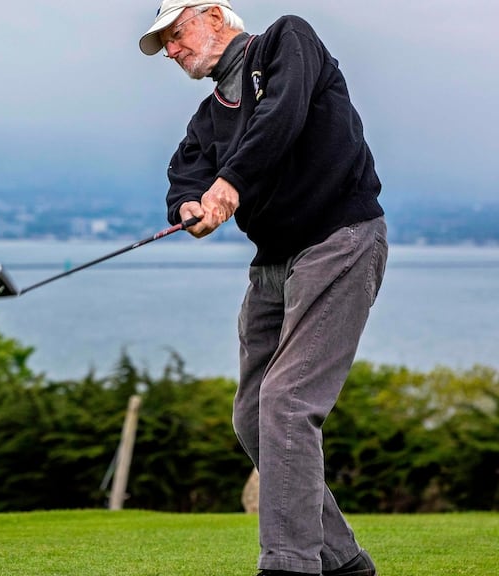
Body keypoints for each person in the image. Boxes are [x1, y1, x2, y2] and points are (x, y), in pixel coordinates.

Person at [138, 2, 386, 575]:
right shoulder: (207, 117)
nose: (171, 50)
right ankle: (344, 562)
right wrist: (189, 206)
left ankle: (288, 564)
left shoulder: (285, 41)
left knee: (287, 401)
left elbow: (282, 114)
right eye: (164, 44)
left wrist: (231, 181)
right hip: (273, 262)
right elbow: (185, 173)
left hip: (340, 238)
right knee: (254, 413)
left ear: (214, 16)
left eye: (176, 33)